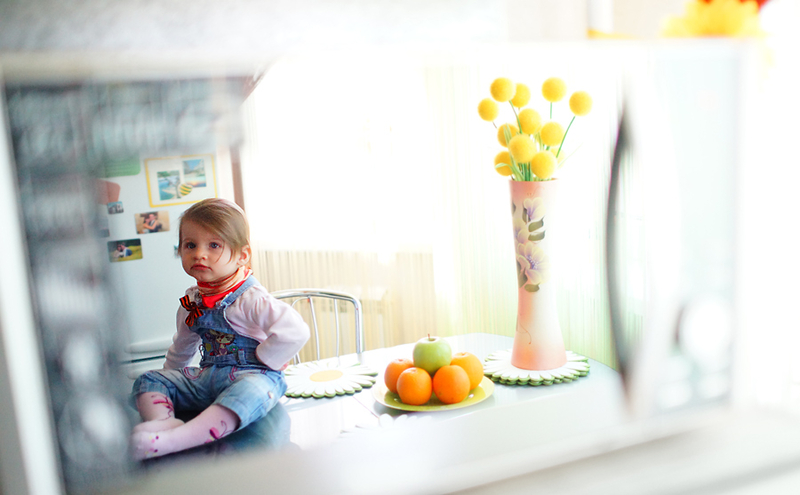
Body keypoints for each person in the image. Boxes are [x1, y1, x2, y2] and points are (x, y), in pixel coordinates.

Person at [129, 198, 310, 460]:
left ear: (242, 255)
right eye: (190, 245)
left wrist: (266, 357)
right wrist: (171, 384)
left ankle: (176, 440)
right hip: (208, 378)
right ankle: (162, 422)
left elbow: (296, 332)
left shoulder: (250, 299)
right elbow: (182, 347)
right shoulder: (192, 301)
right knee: (148, 379)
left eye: (214, 245)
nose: (199, 254)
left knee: (248, 393)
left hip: (253, 377)